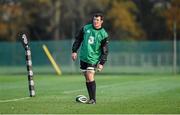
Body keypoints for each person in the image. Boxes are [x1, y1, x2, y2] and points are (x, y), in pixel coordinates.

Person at [71, 13, 109, 104]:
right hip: (83, 56)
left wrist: (101, 63)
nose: (95, 22)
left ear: (101, 21)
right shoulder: (85, 28)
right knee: (87, 78)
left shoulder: (103, 34)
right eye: (94, 20)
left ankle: (93, 99)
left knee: (90, 74)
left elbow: (105, 50)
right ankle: (91, 98)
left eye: (97, 20)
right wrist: (74, 51)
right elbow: (78, 39)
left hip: (94, 58)